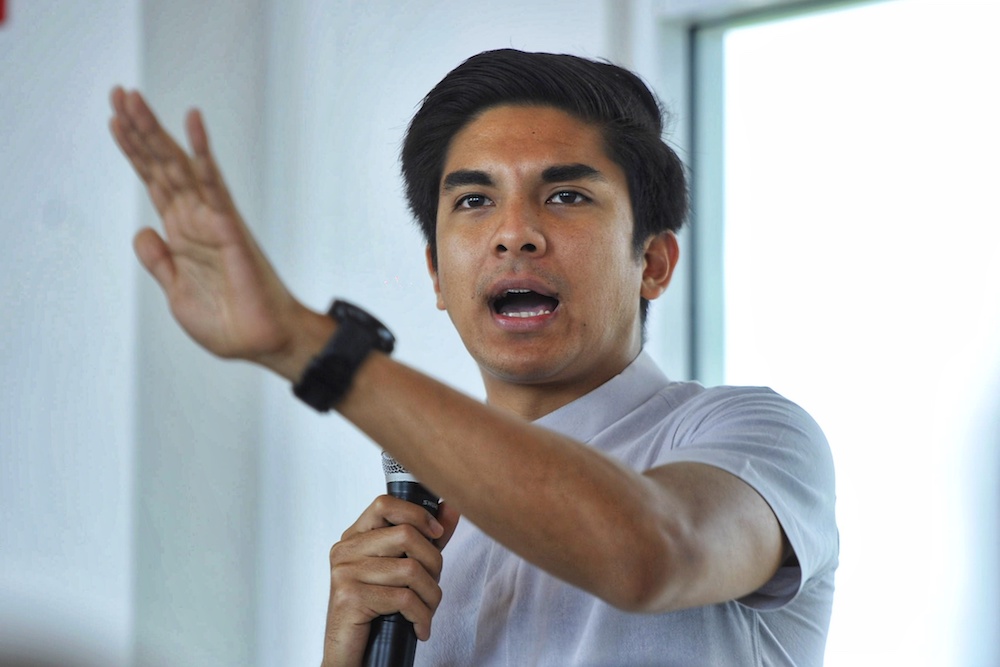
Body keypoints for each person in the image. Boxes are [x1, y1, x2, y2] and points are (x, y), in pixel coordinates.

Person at [109, 49, 838, 666]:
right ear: (435, 273)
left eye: (566, 194)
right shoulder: (417, 540)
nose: (514, 233)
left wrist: (310, 344)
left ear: (653, 261)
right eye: (473, 201)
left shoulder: (755, 437)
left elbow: (650, 553)